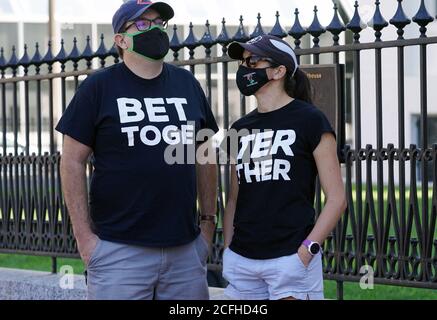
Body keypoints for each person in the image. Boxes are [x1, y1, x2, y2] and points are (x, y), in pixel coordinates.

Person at [56, 0, 219, 300]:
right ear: (120, 39)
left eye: (160, 23)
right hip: (119, 252)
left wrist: (208, 225)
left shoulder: (187, 84)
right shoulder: (98, 87)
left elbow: (205, 154)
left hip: (184, 251)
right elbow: (71, 161)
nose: (155, 29)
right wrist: (84, 239)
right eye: (143, 24)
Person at [221, 35, 347, 300]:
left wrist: (305, 252)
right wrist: (228, 247)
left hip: (290, 261)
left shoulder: (311, 120)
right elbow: (234, 197)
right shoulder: (239, 128)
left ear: (279, 71)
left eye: (253, 61)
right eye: (243, 62)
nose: (245, 69)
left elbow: (336, 199)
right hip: (242, 262)